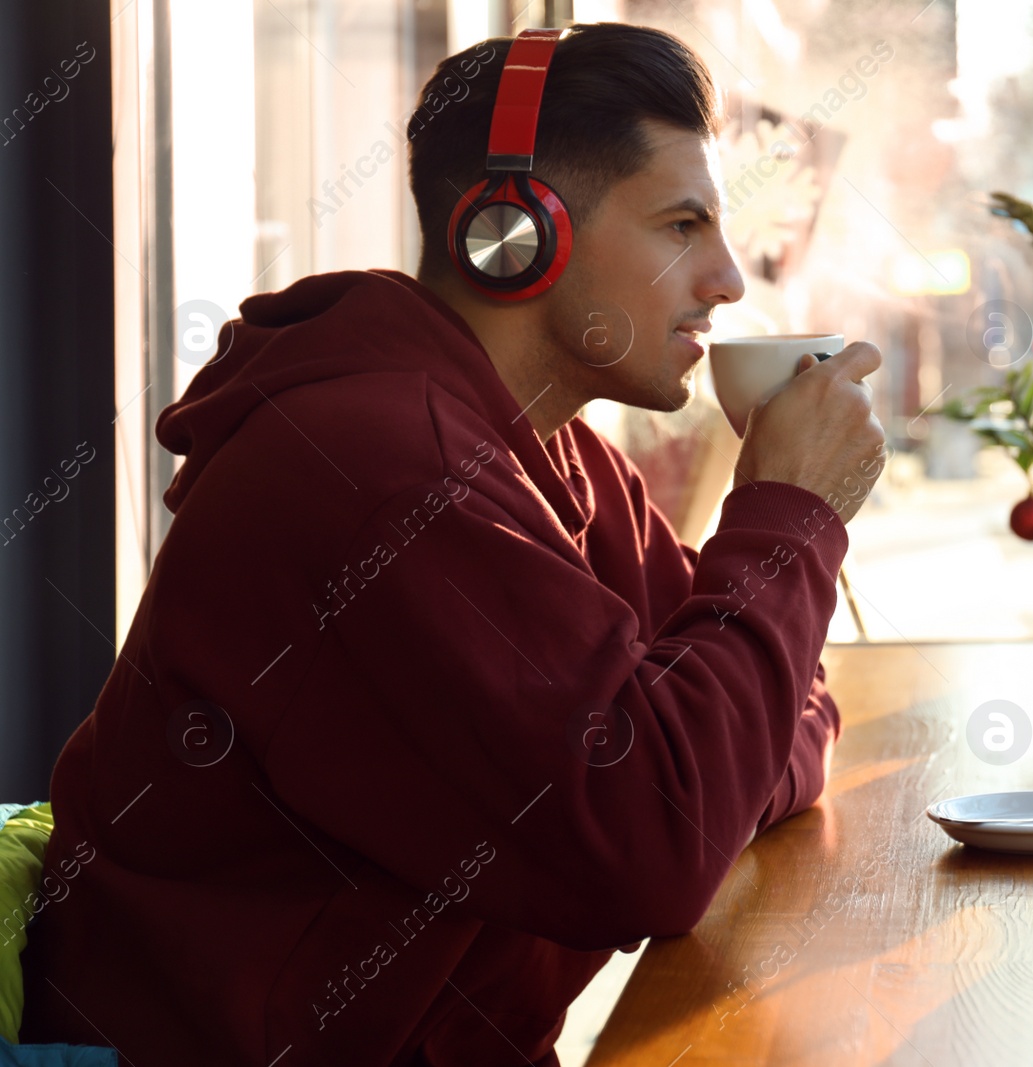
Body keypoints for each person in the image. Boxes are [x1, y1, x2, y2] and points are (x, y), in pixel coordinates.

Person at [21, 22, 884, 1066]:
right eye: (681, 224)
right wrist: (789, 513)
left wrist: (720, 766)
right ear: (515, 232)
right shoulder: (376, 475)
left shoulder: (563, 460)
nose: (728, 280)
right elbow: (664, 838)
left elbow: (766, 717)